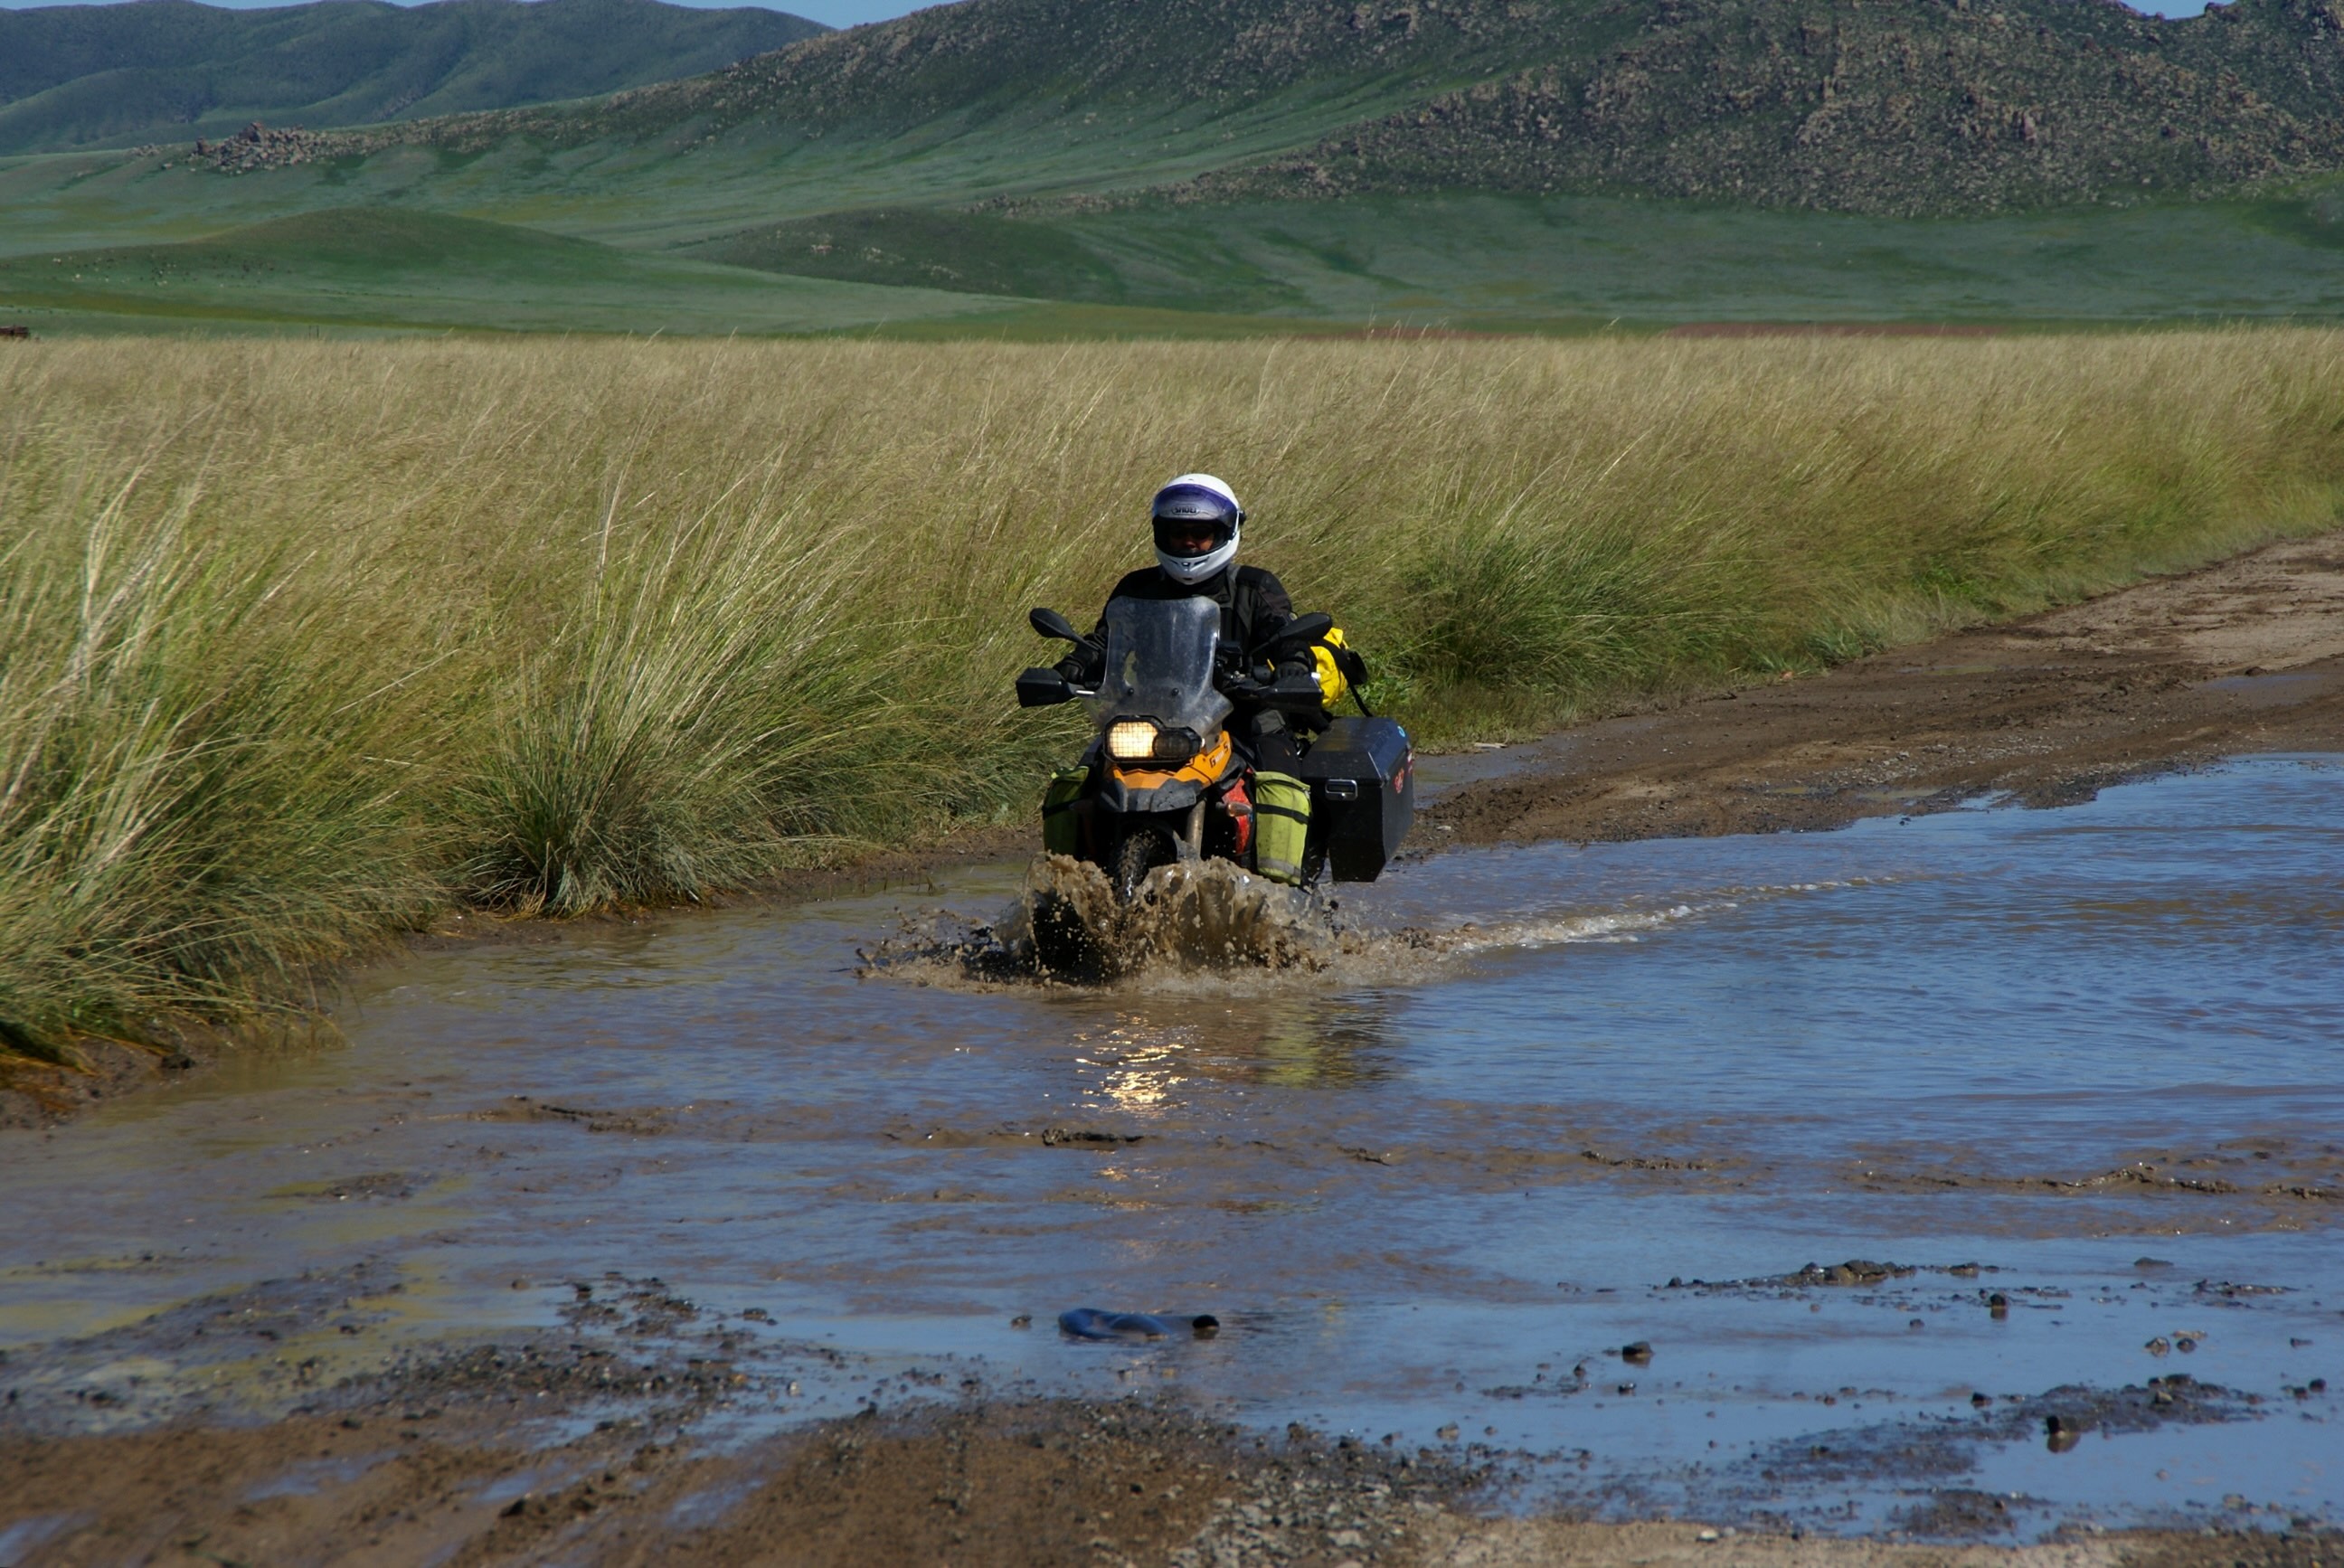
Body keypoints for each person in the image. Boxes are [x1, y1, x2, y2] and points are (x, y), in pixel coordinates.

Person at [1054, 473, 1333, 883]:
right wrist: (1073, 667)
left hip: (1243, 712)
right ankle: (1065, 890)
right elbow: (1105, 641)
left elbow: (1283, 633)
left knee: (1280, 778)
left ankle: (1286, 893)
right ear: (1159, 533)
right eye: (1178, 532)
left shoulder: (1254, 586)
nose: (1188, 543)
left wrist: (1292, 664)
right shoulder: (1137, 587)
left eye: (1200, 534)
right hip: (1153, 719)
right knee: (1081, 781)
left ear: (1226, 532)